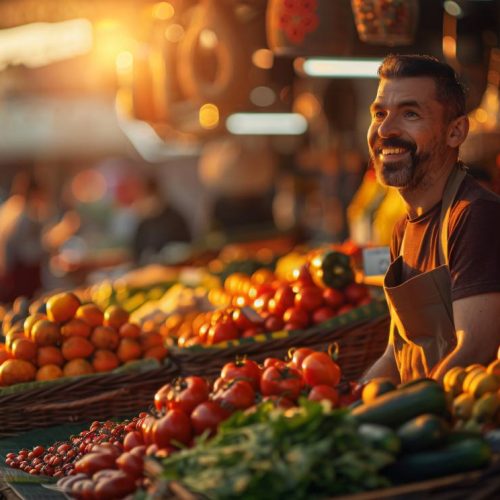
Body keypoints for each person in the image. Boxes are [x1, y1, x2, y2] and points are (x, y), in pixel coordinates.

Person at [360, 54, 500, 384]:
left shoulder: (476, 216)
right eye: (380, 113)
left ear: (455, 132)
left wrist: (400, 409)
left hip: (468, 426)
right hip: (418, 423)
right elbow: (396, 353)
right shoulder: (401, 230)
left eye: (409, 114)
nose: (385, 129)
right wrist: (350, 404)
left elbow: (475, 351)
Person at [0, 171, 49, 302]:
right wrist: (47, 247)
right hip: (19, 277)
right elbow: (26, 252)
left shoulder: (10, 207)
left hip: (9, 275)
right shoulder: (23, 215)